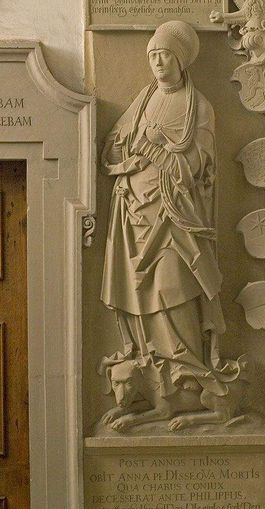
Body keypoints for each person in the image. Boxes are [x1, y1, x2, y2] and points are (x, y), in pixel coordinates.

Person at [101, 20, 240, 399]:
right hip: (136, 212)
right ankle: (154, 374)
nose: (158, 62)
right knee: (143, 293)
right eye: (153, 55)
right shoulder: (143, 100)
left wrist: (158, 151)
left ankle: (190, 373)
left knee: (173, 286)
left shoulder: (200, 108)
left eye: (164, 55)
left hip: (176, 214)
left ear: (180, 60)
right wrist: (122, 154)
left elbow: (201, 166)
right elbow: (115, 145)